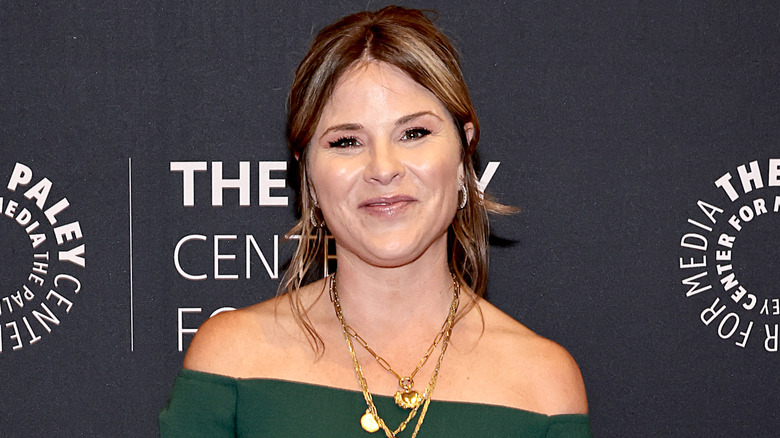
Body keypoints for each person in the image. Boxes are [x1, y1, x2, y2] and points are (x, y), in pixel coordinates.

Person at [160, 5, 590, 437]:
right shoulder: (232, 363)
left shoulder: (544, 386)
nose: (383, 168)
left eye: (414, 133)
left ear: (464, 152)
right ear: (306, 170)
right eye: (347, 141)